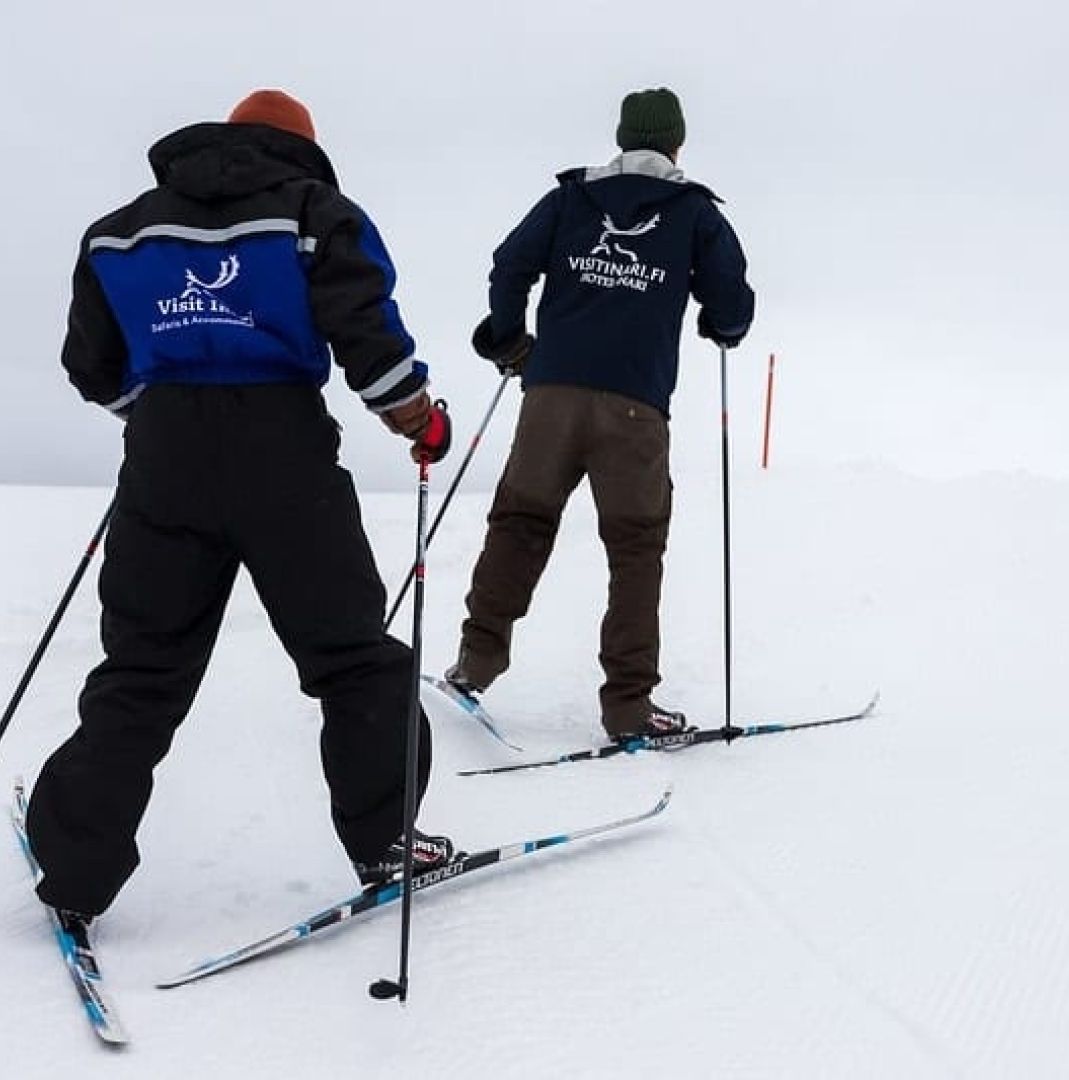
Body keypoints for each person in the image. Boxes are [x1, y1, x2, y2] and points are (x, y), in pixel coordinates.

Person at [26, 89, 455, 924]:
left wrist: (156, 418)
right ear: (299, 148)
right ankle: (385, 844)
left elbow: (91, 363)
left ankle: (74, 867)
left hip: (165, 458)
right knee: (354, 659)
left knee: (142, 672)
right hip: (284, 453)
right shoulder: (313, 211)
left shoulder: (120, 230)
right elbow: (365, 337)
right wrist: (419, 419)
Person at [445, 87, 755, 739]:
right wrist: (723, 324)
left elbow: (510, 264)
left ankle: (473, 665)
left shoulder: (571, 199)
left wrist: (508, 337)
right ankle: (629, 708)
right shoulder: (694, 213)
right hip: (636, 409)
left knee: (521, 524)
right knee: (636, 551)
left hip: (550, 398)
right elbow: (730, 294)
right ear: (677, 142)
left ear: (621, 138)